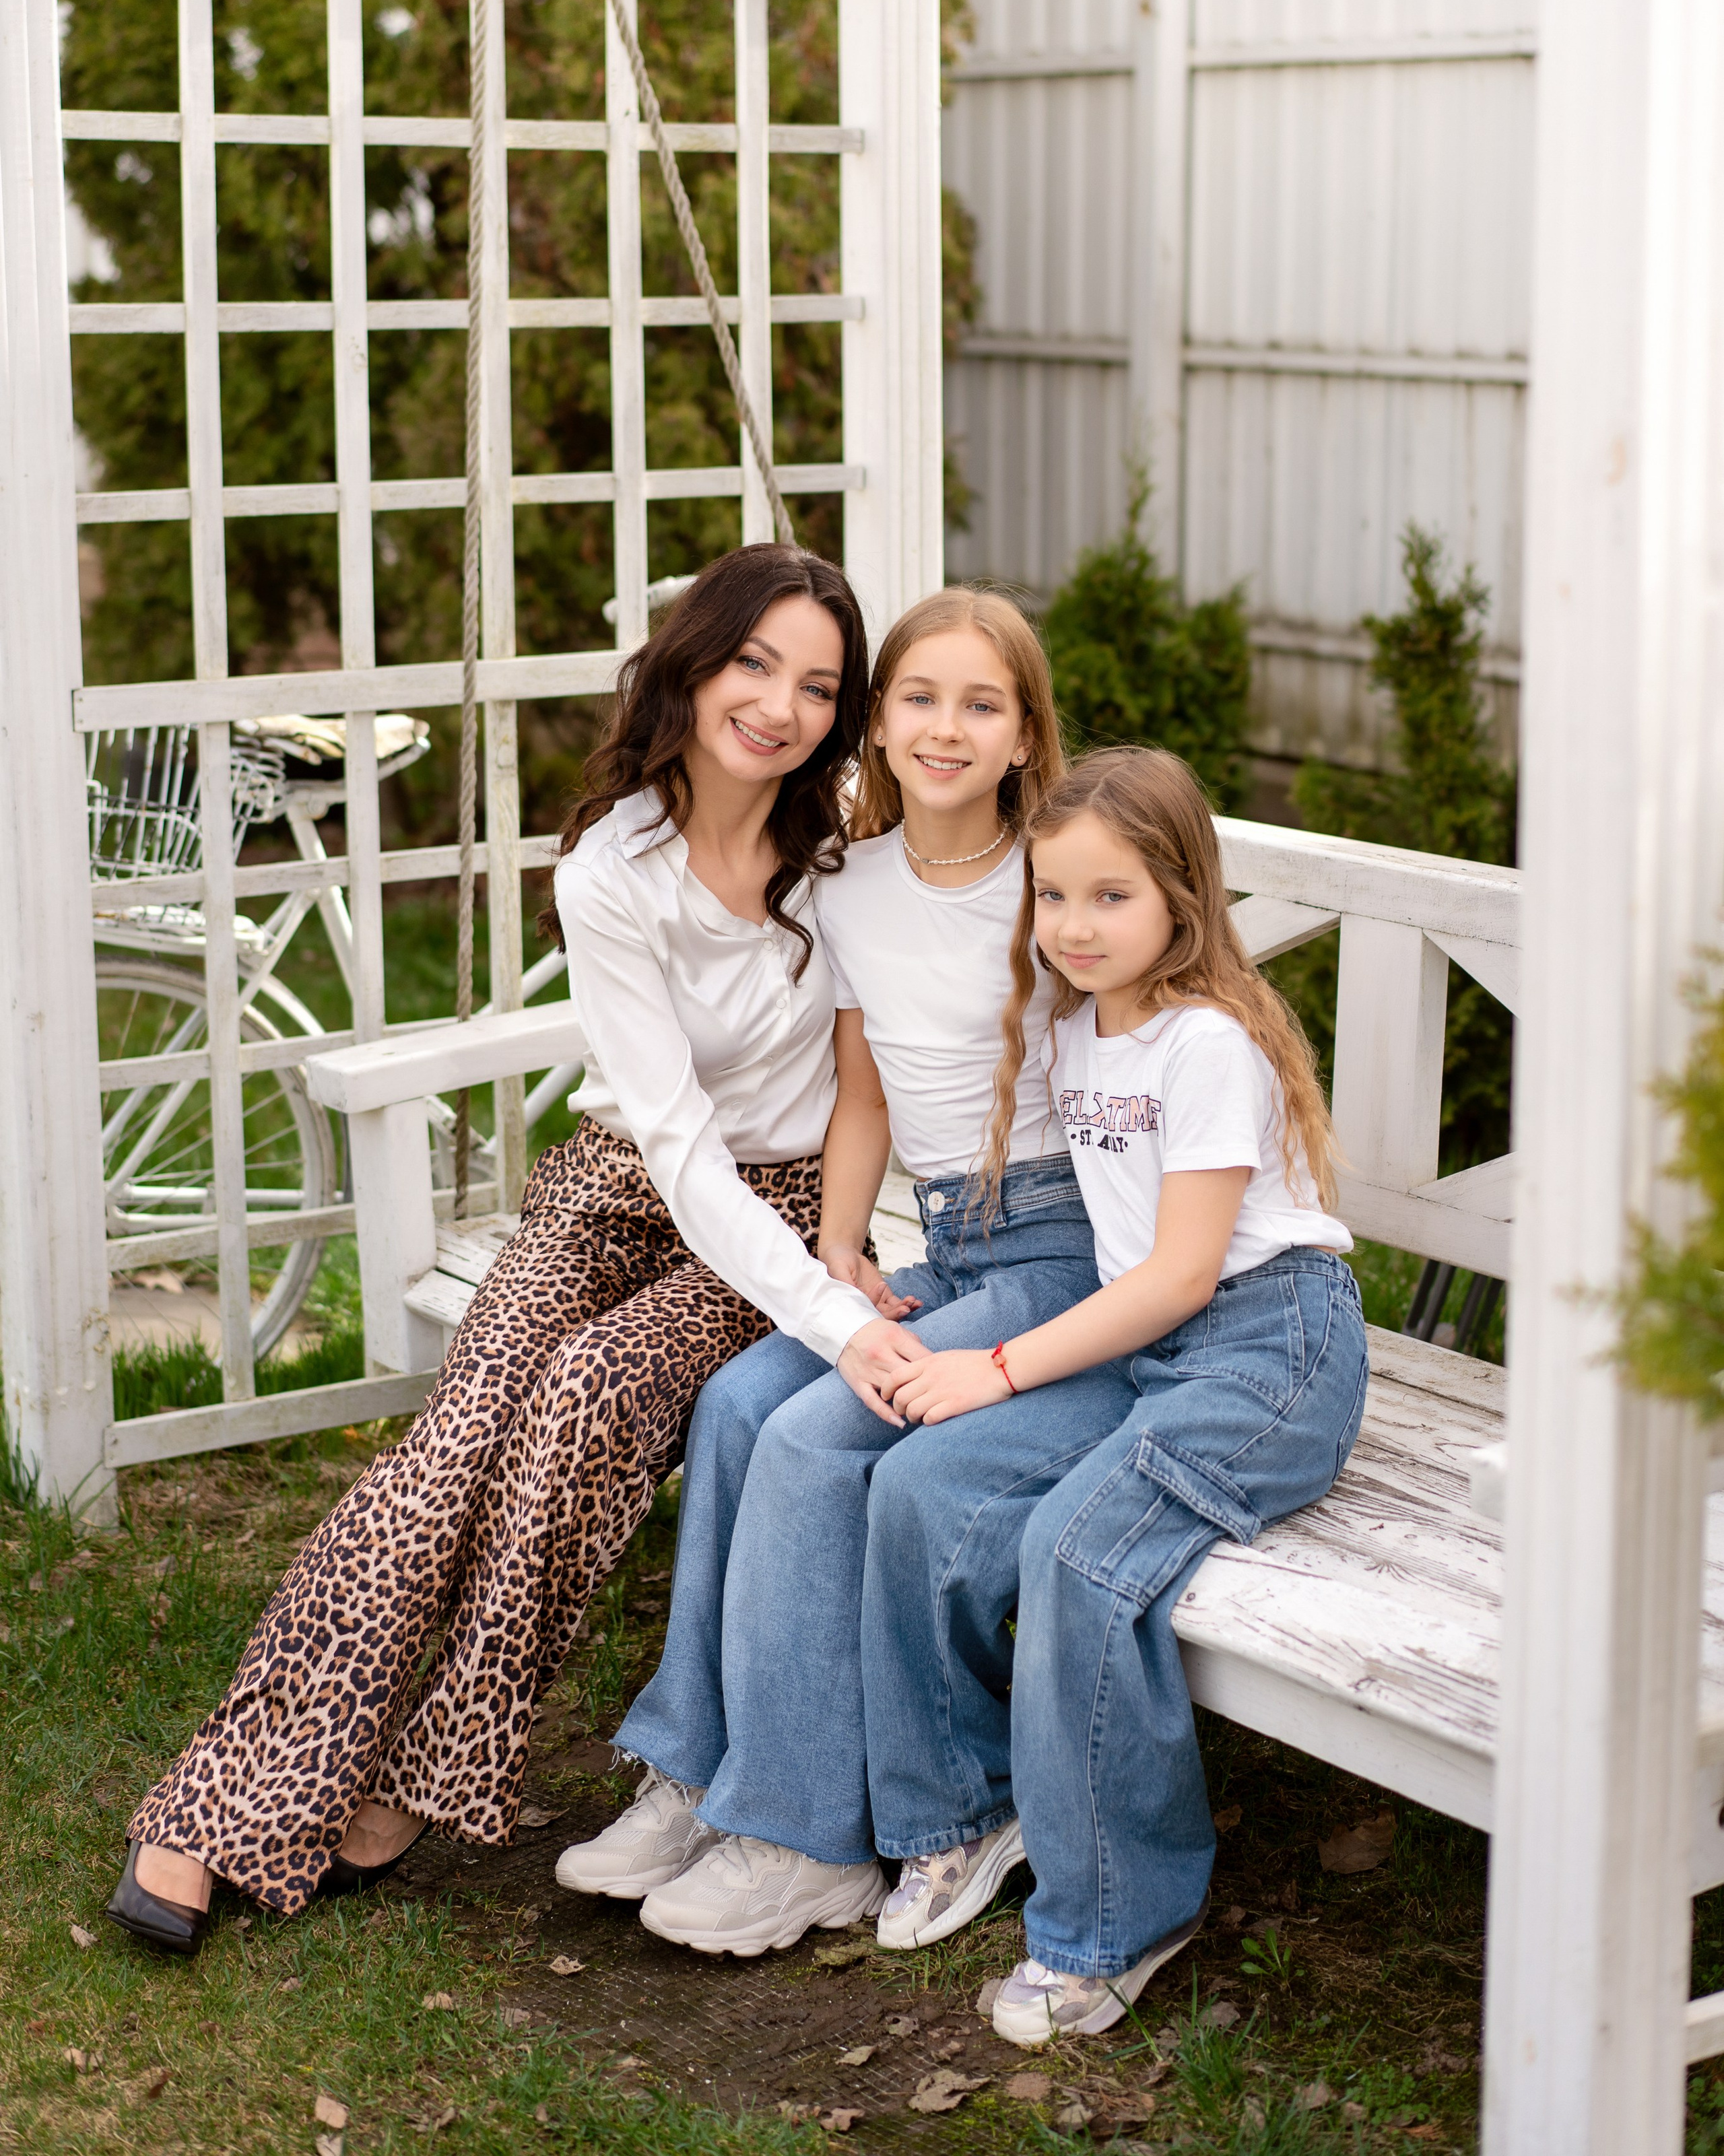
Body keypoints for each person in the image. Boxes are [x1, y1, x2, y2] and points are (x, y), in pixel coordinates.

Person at [107, 543, 892, 1955]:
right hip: (621, 1185)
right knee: (459, 1438)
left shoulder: (844, 861)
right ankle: (223, 1796)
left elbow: (848, 1092)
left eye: (818, 685)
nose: (779, 704)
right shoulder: (614, 869)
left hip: (769, 1219)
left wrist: (831, 1287)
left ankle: (427, 1765)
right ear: (695, 664)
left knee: (584, 1399)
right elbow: (665, 1139)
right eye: (754, 663)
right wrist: (839, 1326)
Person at [555, 587, 1102, 1951]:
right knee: (741, 1405)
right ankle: (700, 1770)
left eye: (982, 703)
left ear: (1025, 732)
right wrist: (842, 1244)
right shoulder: (847, 881)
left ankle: (805, 1841)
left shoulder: (1059, 881)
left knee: (809, 1440)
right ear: (873, 725)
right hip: (950, 1243)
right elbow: (860, 1090)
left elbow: (1157, 1057)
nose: (944, 726)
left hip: (1068, 1250)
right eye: (916, 698)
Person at [855, 747, 1370, 2042]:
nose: (1074, 928)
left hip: (1270, 1353)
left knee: (1079, 1552)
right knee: (920, 1481)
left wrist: (1000, 1367)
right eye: (1054, 897)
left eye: (1112, 898)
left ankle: (1114, 1920)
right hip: (1150, 1346)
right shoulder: (1079, 1032)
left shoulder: (1210, 1041)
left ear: (1182, 904)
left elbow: (1189, 1272)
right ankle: (963, 1813)